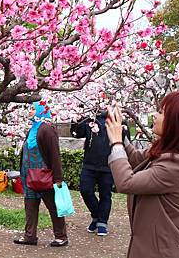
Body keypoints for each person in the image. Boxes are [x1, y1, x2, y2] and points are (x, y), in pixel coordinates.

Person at [105, 92, 179, 258]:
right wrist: (123, 135)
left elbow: (126, 182)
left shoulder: (176, 162)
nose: (155, 116)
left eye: (161, 112)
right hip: (153, 245)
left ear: (177, 122)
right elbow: (136, 159)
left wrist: (117, 143)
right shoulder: (167, 151)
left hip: (160, 249)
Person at [13, 101, 68, 247]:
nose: (30, 111)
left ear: (41, 111)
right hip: (29, 176)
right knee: (30, 207)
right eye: (30, 108)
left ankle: (61, 236)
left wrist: (58, 178)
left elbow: (55, 154)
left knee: (53, 207)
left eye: (33, 109)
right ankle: (30, 236)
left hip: (45, 177)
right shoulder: (32, 129)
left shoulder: (47, 129)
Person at [71, 109, 128, 236]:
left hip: (108, 165)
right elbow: (76, 133)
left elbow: (124, 140)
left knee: (105, 195)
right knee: (85, 191)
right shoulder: (90, 120)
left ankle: (102, 222)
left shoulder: (118, 122)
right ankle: (96, 216)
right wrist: (76, 120)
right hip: (89, 165)